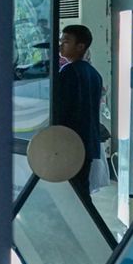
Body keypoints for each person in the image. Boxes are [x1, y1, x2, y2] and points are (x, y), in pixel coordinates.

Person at [52, 23, 105, 195]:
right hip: (87, 142)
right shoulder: (94, 74)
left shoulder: (68, 72)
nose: (61, 45)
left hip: (71, 141)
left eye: (66, 41)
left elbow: (62, 108)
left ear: (80, 46)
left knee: (73, 193)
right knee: (80, 189)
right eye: (61, 41)